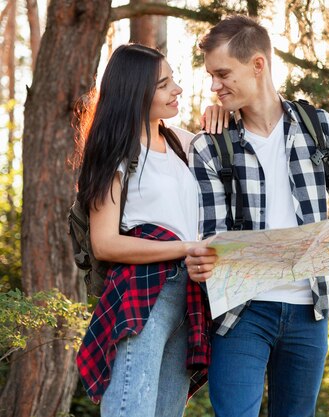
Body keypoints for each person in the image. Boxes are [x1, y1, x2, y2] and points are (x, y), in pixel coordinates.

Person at [185, 15, 329, 417]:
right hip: (240, 315)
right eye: (211, 76)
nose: (214, 86)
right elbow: (213, 239)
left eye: (222, 74)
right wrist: (202, 261)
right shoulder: (210, 146)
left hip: (309, 312)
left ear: (258, 64)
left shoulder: (319, 129)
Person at [74, 44, 217, 417]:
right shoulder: (114, 152)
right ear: (136, 91)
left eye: (175, 80)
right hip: (144, 291)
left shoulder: (181, 142)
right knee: (129, 410)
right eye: (164, 85)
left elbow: (236, 142)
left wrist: (220, 112)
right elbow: (104, 243)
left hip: (190, 297)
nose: (178, 91)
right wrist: (185, 248)